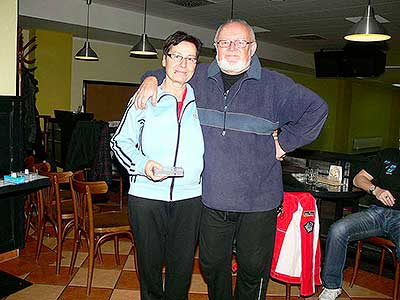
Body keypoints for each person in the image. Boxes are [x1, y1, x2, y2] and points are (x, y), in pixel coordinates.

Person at [134, 19, 328, 300]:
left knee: (252, 269)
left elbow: (316, 109)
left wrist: (284, 143)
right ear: (216, 47)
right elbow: (165, 69)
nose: (232, 48)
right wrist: (149, 79)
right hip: (211, 198)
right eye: (225, 42)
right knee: (212, 265)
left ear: (253, 47)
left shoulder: (276, 85)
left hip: (258, 202)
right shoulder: (197, 77)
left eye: (240, 42)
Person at [110, 31, 204, 300]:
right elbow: (119, 142)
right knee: (150, 269)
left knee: (181, 270)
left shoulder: (203, 102)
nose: (183, 64)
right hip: (147, 197)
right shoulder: (144, 99)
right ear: (164, 60)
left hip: (189, 199)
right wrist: (142, 165)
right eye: (176, 56)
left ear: (196, 64)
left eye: (190, 59)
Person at [319, 148, 400, 300]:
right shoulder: (388, 155)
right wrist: (376, 190)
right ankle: (331, 286)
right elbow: (358, 179)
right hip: (377, 213)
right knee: (338, 229)